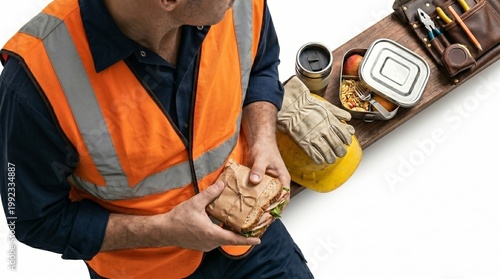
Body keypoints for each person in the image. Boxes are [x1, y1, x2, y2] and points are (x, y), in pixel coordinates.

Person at [0, 0, 316, 278]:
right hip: (142, 271)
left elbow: (259, 66)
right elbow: (33, 219)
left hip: (249, 243)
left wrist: (263, 138)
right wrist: (162, 230)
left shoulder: (238, 5)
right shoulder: (34, 82)